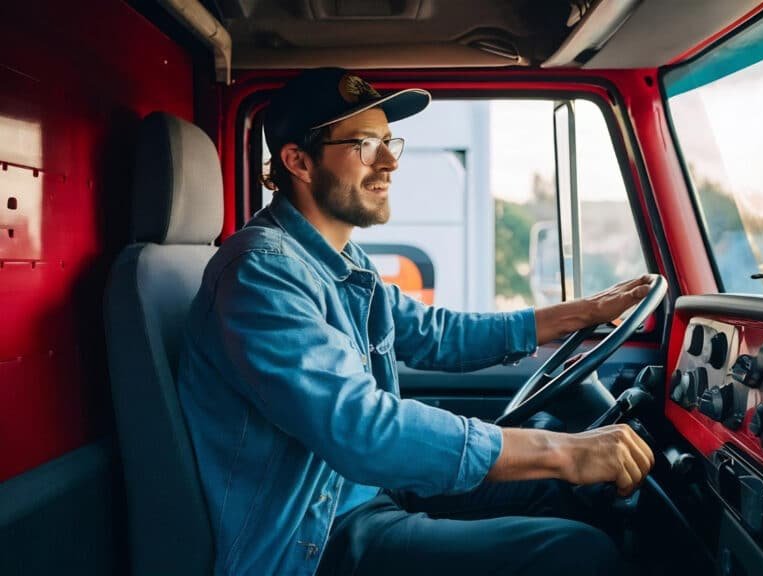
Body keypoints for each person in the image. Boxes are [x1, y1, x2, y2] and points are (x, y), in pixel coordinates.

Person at [177, 67, 655, 576]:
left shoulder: (337, 261)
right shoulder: (261, 274)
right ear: (299, 161)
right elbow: (363, 430)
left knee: (559, 492)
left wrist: (583, 313)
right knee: (577, 552)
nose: (389, 162)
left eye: (389, 143)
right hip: (315, 539)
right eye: (365, 145)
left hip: (362, 491)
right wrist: (561, 450)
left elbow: (435, 334)